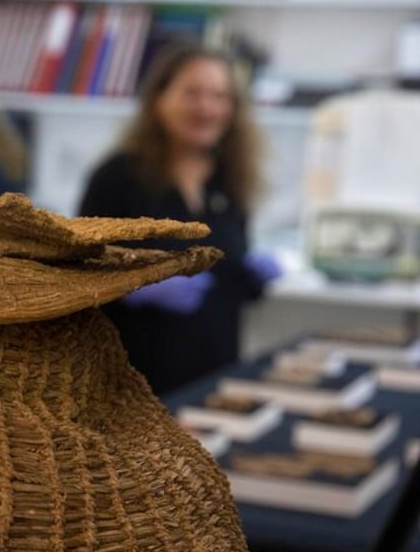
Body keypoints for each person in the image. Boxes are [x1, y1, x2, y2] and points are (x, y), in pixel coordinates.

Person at [77, 42, 281, 395]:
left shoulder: (230, 180)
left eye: (220, 96)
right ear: (159, 98)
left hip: (215, 377)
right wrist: (134, 289)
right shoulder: (118, 177)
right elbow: (75, 278)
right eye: (192, 93)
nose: (207, 108)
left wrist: (251, 279)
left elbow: (227, 281)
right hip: (133, 383)